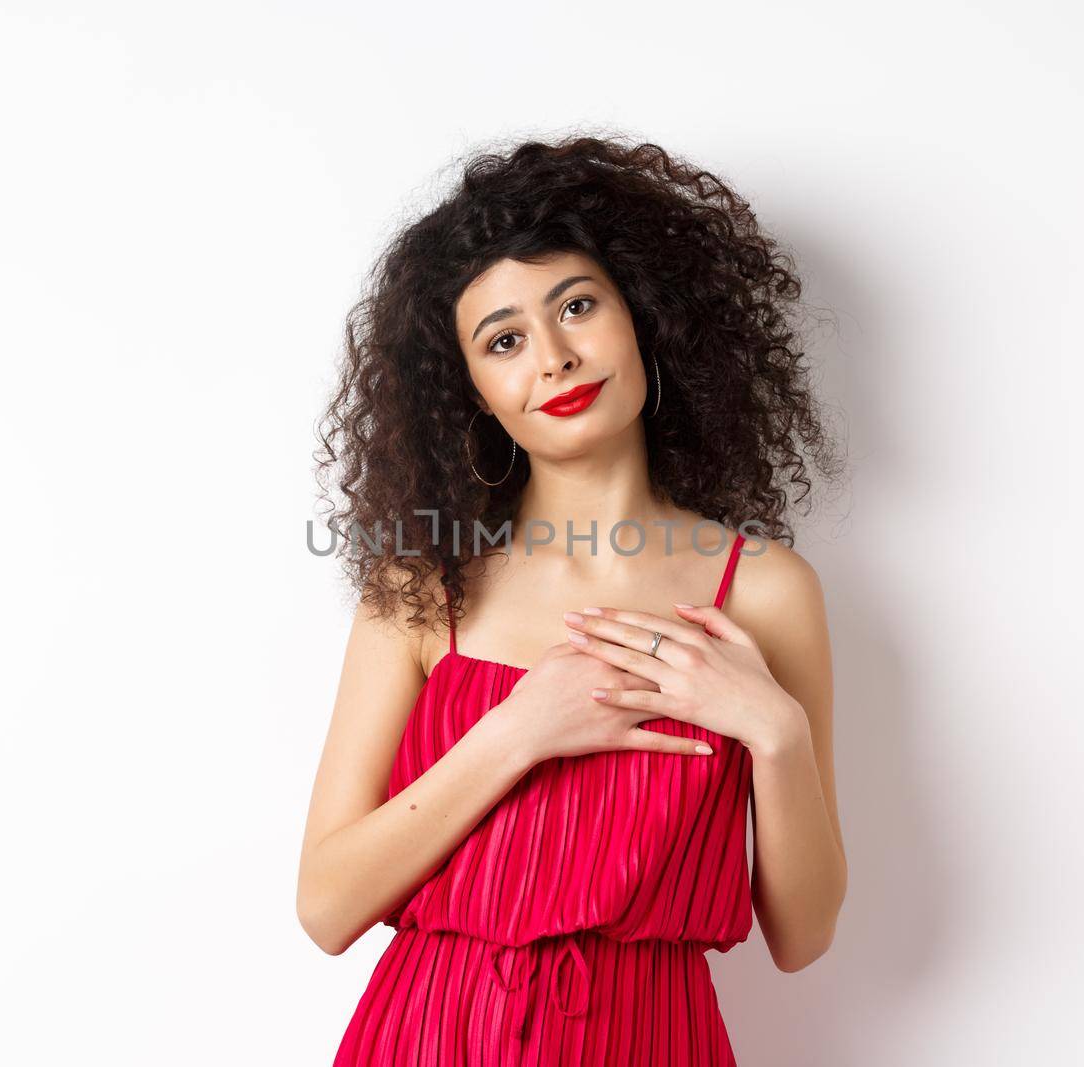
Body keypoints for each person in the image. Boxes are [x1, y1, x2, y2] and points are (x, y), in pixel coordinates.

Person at [299, 134, 848, 1064]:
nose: (552, 357)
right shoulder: (423, 587)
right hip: (433, 1036)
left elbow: (804, 936)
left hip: (652, 1039)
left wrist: (776, 731)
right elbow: (326, 905)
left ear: (645, 318)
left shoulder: (762, 591)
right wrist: (518, 731)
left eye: (578, 306)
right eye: (503, 340)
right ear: (471, 390)